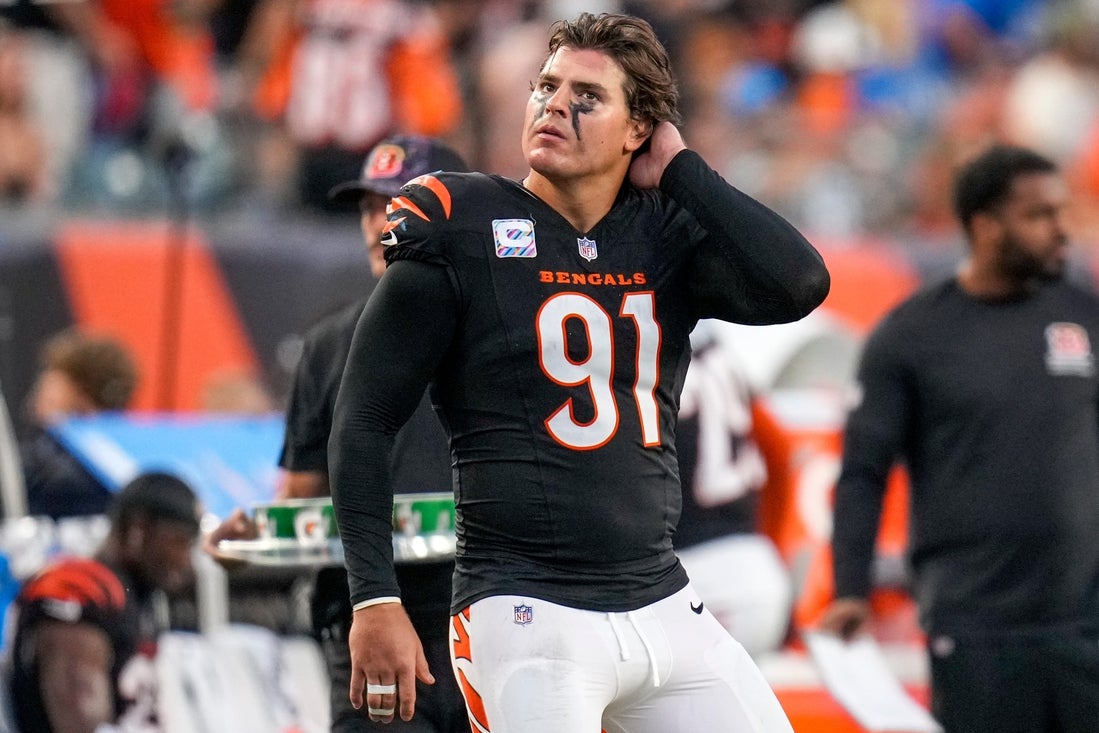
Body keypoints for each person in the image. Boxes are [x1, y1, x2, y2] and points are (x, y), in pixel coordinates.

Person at [328, 12, 830, 731]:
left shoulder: (660, 234)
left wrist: (682, 170)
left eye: (587, 96)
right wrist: (374, 596)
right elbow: (364, 419)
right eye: (546, 86)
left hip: (661, 595)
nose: (554, 106)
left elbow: (801, 282)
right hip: (525, 605)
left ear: (638, 129)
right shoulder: (462, 221)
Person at [819, 144, 1099, 733]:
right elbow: (864, 472)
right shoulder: (911, 335)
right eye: (1039, 215)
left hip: (1086, 623)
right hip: (976, 629)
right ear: (986, 225)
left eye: (1061, 212)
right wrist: (850, 588)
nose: (1061, 230)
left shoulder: (1084, 314)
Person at [207, 134, 470, 733]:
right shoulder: (328, 346)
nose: (378, 223)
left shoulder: (506, 326)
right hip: (376, 615)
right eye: (368, 208)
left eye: (395, 204)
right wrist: (251, 538)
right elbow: (300, 496)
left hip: (497, 612)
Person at [9, 470, 201, 732]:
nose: (186, 561)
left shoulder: (136, 598)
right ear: (138, 530)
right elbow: (80, 721)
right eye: (180, 542)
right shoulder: (81, 586)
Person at [673, 320, 794, 658]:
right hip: (759, 568)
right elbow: (778, 447)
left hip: (697, 579)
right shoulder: (722, 356)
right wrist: (772, 545)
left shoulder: (654, 360)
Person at [20, 329, 139, 518]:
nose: (42, 388)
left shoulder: (65, 470)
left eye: (54, 382)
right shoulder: (127, 458)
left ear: (83, 393)